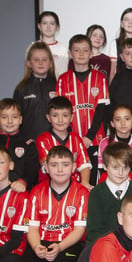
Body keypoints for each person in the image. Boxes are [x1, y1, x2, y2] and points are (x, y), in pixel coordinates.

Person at [56, 34, 110, 183]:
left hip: (94, 140)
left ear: (91, 53)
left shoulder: (100, 78)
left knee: (92, 183)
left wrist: (89, 137)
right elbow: (61, 112)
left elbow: (101, 110)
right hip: (71, 140)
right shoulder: (63, 80)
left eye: (85, 50)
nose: (81, 54)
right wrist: (74, 138)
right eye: (77, 50)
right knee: (72, 181)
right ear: (69, 53)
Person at [35, 96, 92, 189]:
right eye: (55, 115)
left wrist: (84, 183)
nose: (60, 120)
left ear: (71, 117)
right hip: (48, 188)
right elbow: (49, 168)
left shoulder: (76, 139)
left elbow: (84, 165)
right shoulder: (42, 140)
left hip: (74, 186)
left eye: (65, 115)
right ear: (48, 118)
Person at [14, 41, 57, 141]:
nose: (40, 63)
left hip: (54, 144)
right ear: (29, 63)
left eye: (44, 59)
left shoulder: (58, 85)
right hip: (30, 143)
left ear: (51, 63)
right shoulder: (21, 88)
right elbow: (16, 118)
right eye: (36, 59)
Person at [97, 104, 132, 187]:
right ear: (112, 123)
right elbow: (102, 172)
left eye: (127, 119)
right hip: (109, 182)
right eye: (118, 119)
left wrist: (126, 180)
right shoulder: (104, 143)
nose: (123, 123)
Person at [34, 11, 68, 78]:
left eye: (52, 24)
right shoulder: (33, 47)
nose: (48, 27)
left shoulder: (63, 49)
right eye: (44, 23)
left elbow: (64, 72)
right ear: (39, 26)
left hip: (57, 85)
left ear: (57, 27)